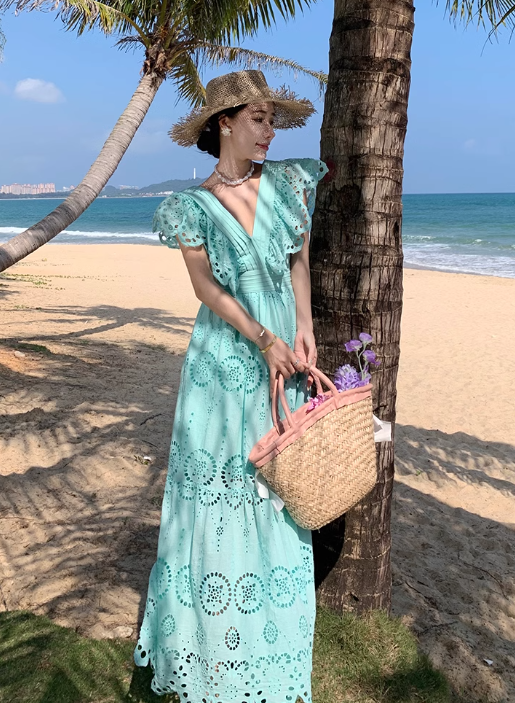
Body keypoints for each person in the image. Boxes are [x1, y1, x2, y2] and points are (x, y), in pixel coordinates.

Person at [134, 69, 328, 702]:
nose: (270, 132)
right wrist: (264, 338)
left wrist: (304, 327)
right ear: (225, 123)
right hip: (224, 361)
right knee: (219, 491)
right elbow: (205, 289)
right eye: (258, 119)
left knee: (276, 488)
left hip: (283, 354)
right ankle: (212, 648)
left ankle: (271, 641)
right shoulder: (190, 208)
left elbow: (298, 260)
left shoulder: (289, 184)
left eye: (272, 120)